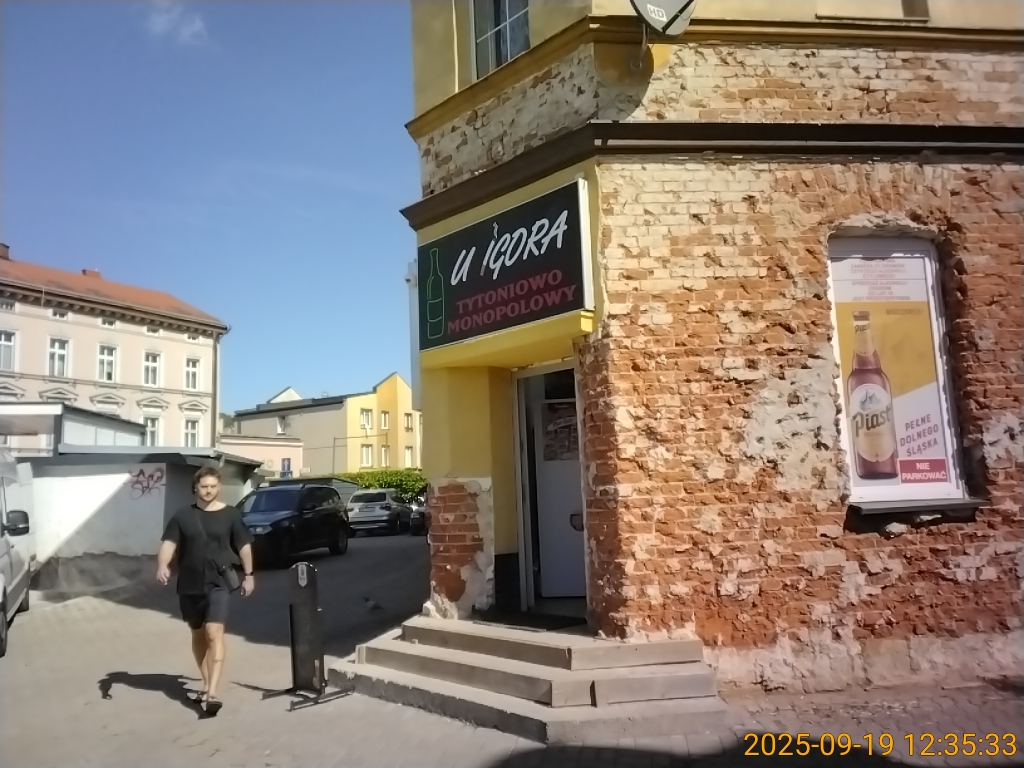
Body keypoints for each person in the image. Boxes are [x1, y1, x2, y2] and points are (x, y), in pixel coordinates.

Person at [156, 466, 255, 717]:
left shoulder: (231, 515)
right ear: (195, 488)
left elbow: (244, 546)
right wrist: (163, 565)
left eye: (213, 486)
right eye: (204, 486)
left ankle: (212, 693)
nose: (209, 490)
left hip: (218, 583)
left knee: (214, 631)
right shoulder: (182, 516)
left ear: (218, 486)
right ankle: (206, 680)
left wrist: (249, 575)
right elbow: (169, 543)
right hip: (189, 584)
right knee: (198, 633)